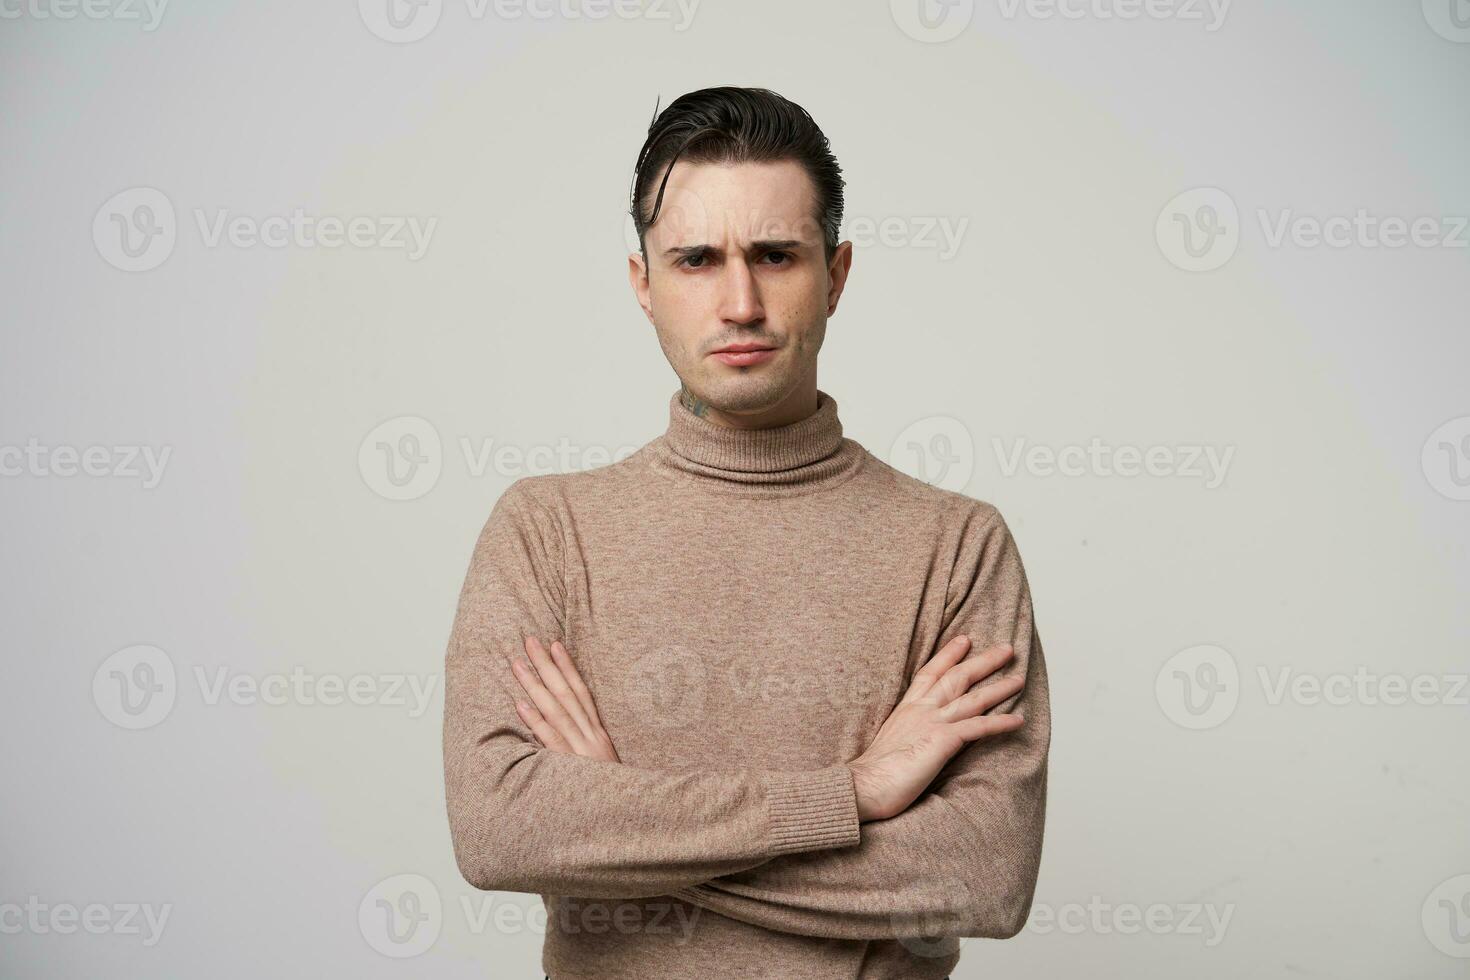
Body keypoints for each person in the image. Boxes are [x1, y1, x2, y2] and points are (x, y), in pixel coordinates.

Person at [443, 85, 1050, 980]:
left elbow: (984, 876)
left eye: (775, 255)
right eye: (695, 260)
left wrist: (619, 827)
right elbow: (498, 831)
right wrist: (854, 795)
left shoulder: (958, 545)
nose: (740, 302)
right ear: (642, 284)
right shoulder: (545, 531)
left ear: (836, 276)